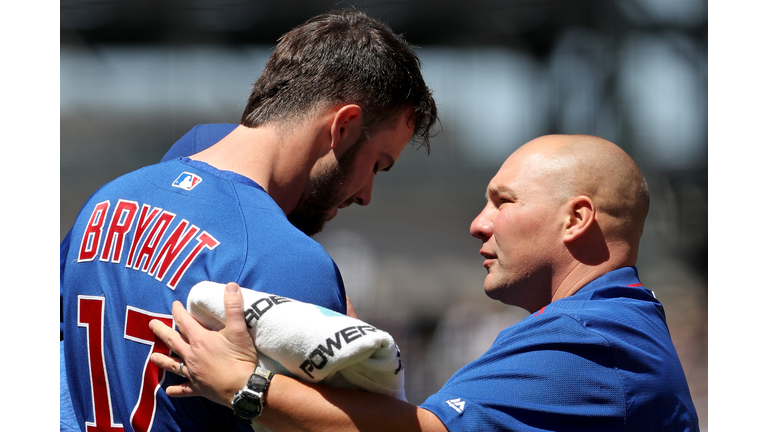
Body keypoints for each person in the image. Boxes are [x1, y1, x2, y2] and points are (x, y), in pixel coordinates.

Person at [149, 134, 700, 431]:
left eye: (503, 202)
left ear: (576, 220)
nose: (478, 222)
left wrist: (243, 386)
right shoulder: (608, 326)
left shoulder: (593, 337)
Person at [60, 9, 438, 432]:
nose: (366, 194)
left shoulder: (108, 199)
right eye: (377, 165)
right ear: (345, 126)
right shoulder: (288, 259)